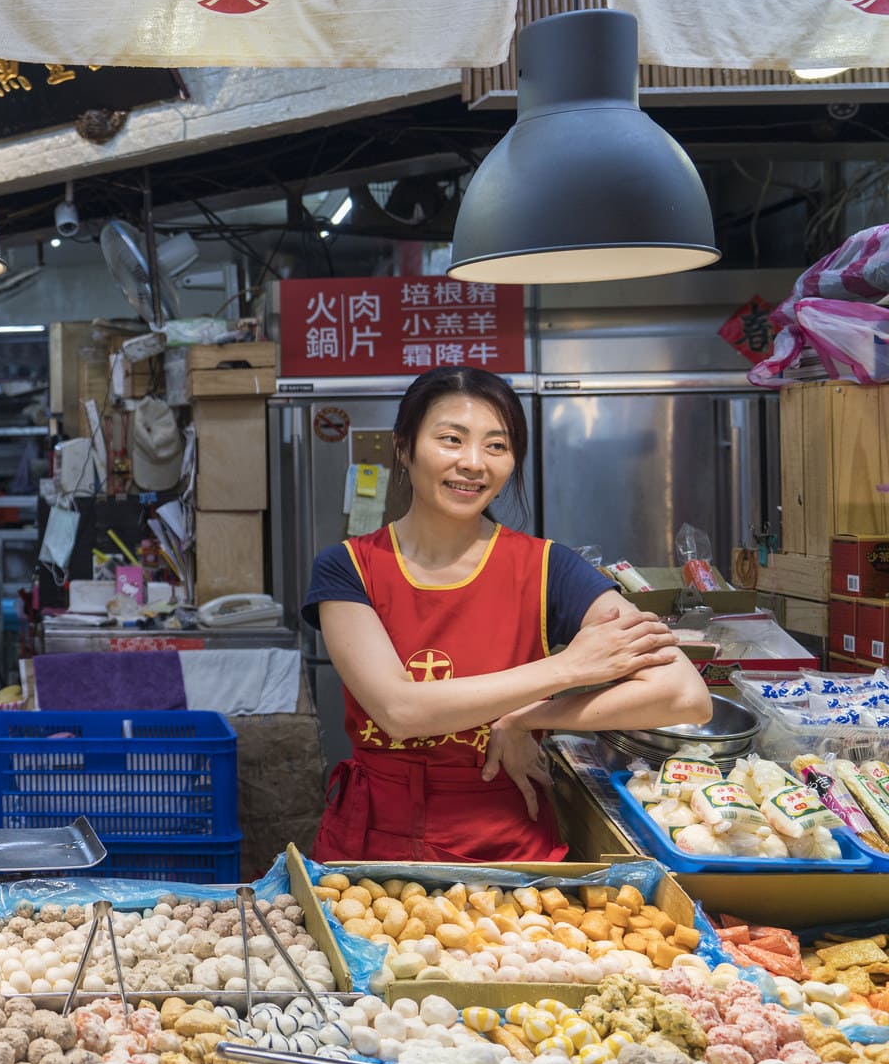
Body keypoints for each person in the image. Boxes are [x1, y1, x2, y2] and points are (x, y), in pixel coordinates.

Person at [304, 366, 711, 862]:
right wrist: (568, 668)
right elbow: (399, 712)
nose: (473, 463)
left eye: (496, 446)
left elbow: (685, 695)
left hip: (508, 843)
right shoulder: (348, 567)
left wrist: (529, 718)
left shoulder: (548, 568)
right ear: (404, 446)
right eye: (451, 439)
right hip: (371, 842)